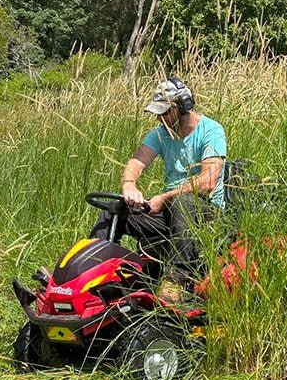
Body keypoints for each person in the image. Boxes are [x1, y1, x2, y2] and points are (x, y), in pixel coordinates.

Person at [91, 77, 227, 300]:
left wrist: (165, 196)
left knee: (182, 202)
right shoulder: (161, 133)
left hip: (205, 212)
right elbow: (137, 162)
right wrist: (129, 185)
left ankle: (176, 280)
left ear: (183, 106)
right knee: (113, 210)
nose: (159, 117)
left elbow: (207, 183)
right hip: (167, 210)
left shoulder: (211, 130)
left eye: (164, 112)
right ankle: (94, 270)